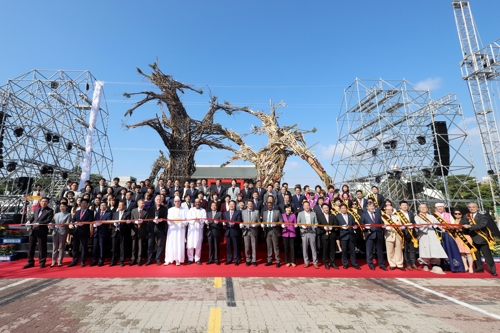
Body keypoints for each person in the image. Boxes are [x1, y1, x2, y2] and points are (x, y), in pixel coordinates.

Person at [461, 202, 499, 276]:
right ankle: (479, 268)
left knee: (487, 255)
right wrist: (463, 227)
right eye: (470, 207)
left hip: (481, 238)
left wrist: (470, 227)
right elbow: (463, 224)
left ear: (477, 208)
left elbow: (482, 225)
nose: (471, 208)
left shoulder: (482, 216)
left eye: (473, 207)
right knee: (476, 254)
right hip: (471, 238)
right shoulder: (466, 216)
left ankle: (492, 270)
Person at [414, 203, 449, 274]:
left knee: (434, 248)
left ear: (427, 208)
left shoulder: (431, 216)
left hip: (432, 233)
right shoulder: (417, 217)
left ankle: (435, 263)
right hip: (424, 234)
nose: (423, 209)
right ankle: (425, 263)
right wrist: (426, 226)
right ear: (419, 209)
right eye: (421, 208)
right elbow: (418, 226)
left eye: (425, 207)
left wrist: (439, 227)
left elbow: (437, 223)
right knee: (425, 248)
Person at [433, 203, 465, 272]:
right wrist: (441, 228)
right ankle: (445, 266)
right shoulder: (433, 215)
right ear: (436, 208)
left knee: (452, 249)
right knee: (442, 249)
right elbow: (434, 225)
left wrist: (450, 227)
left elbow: (453, 223)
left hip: (449, 234)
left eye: (441, 207)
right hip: (439, 234)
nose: (440, 208)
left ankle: (456, 266)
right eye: (438, 207)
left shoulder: (448, 214)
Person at [24, 197, 54, 269]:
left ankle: (42, 262)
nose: (44, 203)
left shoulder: (50, 211)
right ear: (40, 202)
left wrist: (39, 223)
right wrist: (29, 221)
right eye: (42, 201)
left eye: (45, 202)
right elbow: (33, 218)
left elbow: (48, 220)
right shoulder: (36, 209)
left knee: (42, 247)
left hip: (41, 231)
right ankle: (30, 262)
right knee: (31, 247)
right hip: (33, 230)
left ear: (48, 203)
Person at [360, 202, 387, 271]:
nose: (372, 208)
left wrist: (383, 225)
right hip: (369, 234)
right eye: (370, 206)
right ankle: (370, 264)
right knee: (369, 250)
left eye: (373, 206)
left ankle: (381, 264)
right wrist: (365, 226)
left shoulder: (378, 214)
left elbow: (381, 222)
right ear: (367, 208)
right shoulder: (364, 215)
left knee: (380, 250)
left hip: (378, 234)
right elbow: (362, 224)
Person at [396, 201, 419, 271]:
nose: (404, 206)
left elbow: (414, 222)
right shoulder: (397, 214)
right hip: (404, 233)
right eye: (403, 205)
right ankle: (407, 263)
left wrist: (414, 226)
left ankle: (413, 263)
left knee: (412, 249)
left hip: (412, 233)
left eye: (406, 205)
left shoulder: (411, 213)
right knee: (405, 249)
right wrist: (404, 226)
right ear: (400, 206)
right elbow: (397, 223)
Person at [261, 198, 283, 268]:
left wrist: (276, 224)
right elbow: (264, 221)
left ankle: (278, 261)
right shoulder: (264, 213)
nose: (269, 206)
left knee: (275, 246)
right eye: (268, 205)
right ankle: (269, 260)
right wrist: (263, 224)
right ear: (267, 206)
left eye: (270, 205)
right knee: (269, 246)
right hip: (267, 231)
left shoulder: (277, 212)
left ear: (273, 206)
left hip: (274, 231)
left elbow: (281, 221)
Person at [381, 205, 405, 271]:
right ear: (385, 210)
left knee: (399, 250)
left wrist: (402, 227)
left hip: (397, 235)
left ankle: (399, 264)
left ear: (392, 210)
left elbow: (400, 225)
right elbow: (381, 226)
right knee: (390, 251)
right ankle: (392, 264)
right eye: (387, 209)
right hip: (388, 235)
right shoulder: (383, 217)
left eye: (390, 209)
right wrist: (385, 228)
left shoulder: (397, 217)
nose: (389, 211)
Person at [165, 196, 187, 266]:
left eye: (178, 201)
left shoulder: (184, 210)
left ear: (180, 202)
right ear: (174, 202)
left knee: (179, 244)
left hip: (180, 229)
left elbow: (187, 220)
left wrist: (183, 224)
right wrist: (171, 222)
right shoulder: (170, 210)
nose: (177, 202)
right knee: (170, 244)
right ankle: (168, 259)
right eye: (176, 201)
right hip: (172, 229)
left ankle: (178, 259)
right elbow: (168, 219)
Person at [336, 203, 359, 269]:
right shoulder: (338, 216)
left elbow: (354, 224)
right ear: (340, 209)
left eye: (345, 208)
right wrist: (341, 227)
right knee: (344, 250)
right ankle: (345, 263)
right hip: (343, 235)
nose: (343, 209)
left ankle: (354, 263)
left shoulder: (350, 216)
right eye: (342, 208)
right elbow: (336, 226)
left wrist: (355, 226)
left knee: (353, 250)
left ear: (347, 209)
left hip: (351, 235)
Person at [317, 203, 340, 270]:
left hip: (332, 234)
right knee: (325, 250)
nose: (326, 209)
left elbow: (336, 223)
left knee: (332, 250)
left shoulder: (332, 215)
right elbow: (318, 225)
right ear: (322, 209)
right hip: (324, 235)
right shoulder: (320, 216)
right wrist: (323, 227)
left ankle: (333, 263)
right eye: (324, 208)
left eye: (327, 207)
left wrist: (332, 227)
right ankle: (326, 263)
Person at [452, 209, 474, 274]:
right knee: (462, 253)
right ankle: (465, 266)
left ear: (461, 214)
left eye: (459, 214)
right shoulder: (453, 221)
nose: (457, 215)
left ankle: (471, 267)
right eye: (456, 214)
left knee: (469, 253)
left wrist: (461, 229)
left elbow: (469, 229)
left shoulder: (465, 220)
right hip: (457, 238)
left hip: (465, 237)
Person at [147, 195, 168, 266]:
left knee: (159, 245)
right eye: (157, 199)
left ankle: (158, 259)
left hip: (160, 228)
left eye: (160, 199)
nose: (158, 201)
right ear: (155, 200)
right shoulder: (151, 208)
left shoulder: (164, 208)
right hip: (152, 228)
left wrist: (160, 220)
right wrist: (153, 220)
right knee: (150, 245)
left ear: (161, 200)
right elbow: (149, 217)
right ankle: (149, 259)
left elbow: (165, 218)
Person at [297, 201, 319, 269]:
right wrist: (302, 226)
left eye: (308, 205)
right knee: (305, 248)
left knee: (313, 248)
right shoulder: (300, 214)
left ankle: (315, 262)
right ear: (303, 207)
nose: (307, 207)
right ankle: (306, 261)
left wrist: (315, 225)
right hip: (304, 232)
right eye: (305, 205)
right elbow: (298, 222)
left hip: (311, 232)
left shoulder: (313, 214)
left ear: (310, 206)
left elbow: (316, 222)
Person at [91, 202, 112, 267]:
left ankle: (101, 260)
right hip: (96, 232)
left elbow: (108, 221)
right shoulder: (97, 213)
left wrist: (101, 223)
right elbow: (94, 220)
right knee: (95, 247)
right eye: (101, 205)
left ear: (106, 206)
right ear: (100, 206)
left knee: (102, 247)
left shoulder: (109, 213)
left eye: (104, 205)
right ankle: (95, 260)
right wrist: (94, 224)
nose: (102, 206)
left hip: (103, 232)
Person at [50, 202, 71, 267]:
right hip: (55, 231)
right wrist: (51, 225)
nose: (62, 207)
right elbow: (53, 222)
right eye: (61, 206)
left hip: (63, 231)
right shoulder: (56, 214)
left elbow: (68, 223)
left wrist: (62, 224)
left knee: (61, 247)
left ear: (66, 207)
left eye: (63, 206)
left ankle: (60, 261)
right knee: (55, 247)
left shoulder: (68, 214)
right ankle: (53, 261)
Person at [110, 201, 130, 267]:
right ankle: (114, 260)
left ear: (124, 206)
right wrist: (114, 224)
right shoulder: (115, 213)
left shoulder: (127, 213)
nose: (119, 206)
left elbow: (128, 223)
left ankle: (122, 261)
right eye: (119, 205)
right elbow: (112, 221)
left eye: (121, 205)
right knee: (114, 248)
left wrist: (122, 224)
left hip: (123, 232)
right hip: (115, 232)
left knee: (122, 248)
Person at [186, 198, 206, 265]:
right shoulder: (191, 210)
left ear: (200, 203)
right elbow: (188, 218)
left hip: (198, 229)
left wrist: (199, 220)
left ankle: (197, 259)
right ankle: (190, 258)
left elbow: (204, 219)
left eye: (198, 202)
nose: (197, 203)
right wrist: (194, 219)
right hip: (191, 229)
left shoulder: (203, 210)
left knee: (198, 244)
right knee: (190, 245)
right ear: (194, 203)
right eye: (196, 202)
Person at [130, 199, 149, 266]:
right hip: (134, 230)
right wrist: (135, 221)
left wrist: (142, 221)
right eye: (142, 203)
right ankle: (133, 259)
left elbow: (146, 221)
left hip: (141, 230)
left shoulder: (145, 212)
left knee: (140, 246)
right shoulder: (133, 210)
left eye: (144, 203)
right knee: (133, 246)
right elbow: (131, 219)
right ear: (138, 204)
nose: (143, 204)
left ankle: (139, 260)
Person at [241, 200, 260, 267]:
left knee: (254, 246)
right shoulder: (243, 212)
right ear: (246, 205)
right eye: (249, 204)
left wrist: (256, 225)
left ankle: (254, 260)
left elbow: (259, 222)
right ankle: (248, 260)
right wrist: (241, 225)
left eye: (251, 204)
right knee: (247, 246)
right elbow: (241, 221)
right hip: (246, 231)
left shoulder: (256, 212)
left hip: (253, 231)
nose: (250, 205)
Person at [223, 200, 242, 265]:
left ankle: (236, 259)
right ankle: (229, 259)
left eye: (233, 204)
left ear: (235, 205)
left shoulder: (238, 212)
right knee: (228, 246)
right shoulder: (225, 213)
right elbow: (224, 221)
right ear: (228, 205)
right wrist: (225, 224)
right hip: (228, 231)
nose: (231, 205)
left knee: (236, 246)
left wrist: (234, 223)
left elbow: (239, 220)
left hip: (235, 231)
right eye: (230, 204)